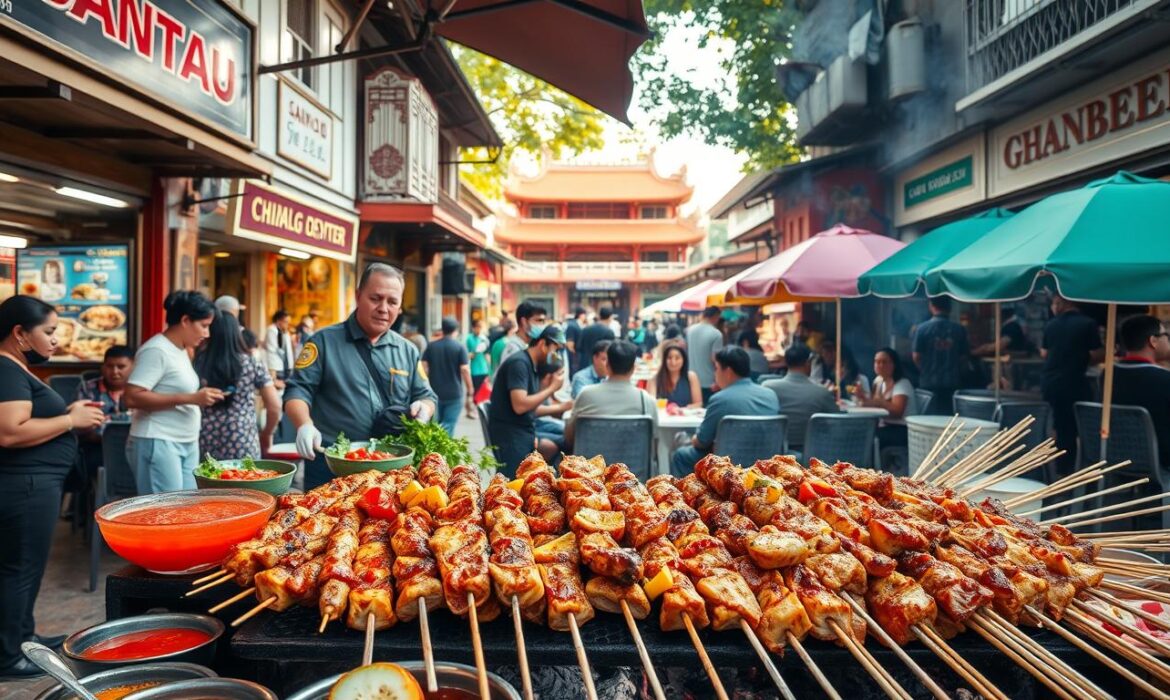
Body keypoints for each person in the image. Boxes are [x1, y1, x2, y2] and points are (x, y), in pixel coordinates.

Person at [0, 296, 105, 677]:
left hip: (32, 483)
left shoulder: (15, 368)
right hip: (26, 485)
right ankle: (8, 656)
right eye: (49, 331)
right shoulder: (7, 369)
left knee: (25, 567)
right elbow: (10, 432)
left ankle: (23, 636)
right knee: (20, 569)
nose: (56, 340)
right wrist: (71, 420)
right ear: (19, 334)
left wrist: (69, 415)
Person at [285, 264, 438, 489]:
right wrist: (304, 424)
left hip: (389, 470)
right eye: (375, 298)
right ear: (358, 296)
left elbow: (426, 395)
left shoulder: (407, 350)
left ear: (399, 307)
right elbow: (297, 390)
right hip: (331, 466)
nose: (383, 308)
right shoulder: (323, 342)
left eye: (392, 302)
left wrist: (424, 408)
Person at [125, 291, 223, 494]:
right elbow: (132, 396)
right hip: (158, 439)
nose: (207, 333)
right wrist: (192, 398)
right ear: (185, 320)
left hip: (184, 440)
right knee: (164, 509)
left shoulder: (182, 350)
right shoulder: (156, 350)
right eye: (204, 326)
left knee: (185, 507)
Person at [670, 347, 779, 476]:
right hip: (765, 464)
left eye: (716, 368)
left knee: (680, 455)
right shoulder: (771, 395)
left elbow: (701, 442)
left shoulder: (720, 399)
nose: (715, 374)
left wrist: (693, 438)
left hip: (727, 468)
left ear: (728, 371)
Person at [194, 312, 281, 460]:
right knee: (245, 475)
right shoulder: (252, 364)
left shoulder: (198, 363)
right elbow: (274, 406)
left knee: (209, 475)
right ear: (236, 333)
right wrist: (267, 433)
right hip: (242, 439)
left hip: (205, 439)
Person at [488, 324, 571, 475]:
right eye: (555, 349)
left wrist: (560, 407)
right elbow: (520, 405)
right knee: (515, 482)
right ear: (542, 344)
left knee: (565, 442)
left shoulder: (530, 364)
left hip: (522, 429)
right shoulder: (519, 363)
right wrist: (552, 388)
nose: (556, 355)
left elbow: (529, 406)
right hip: (510, 434)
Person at [1041, 294, 1104, 475]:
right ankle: (1074, 469)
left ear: (1063, 302)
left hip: (1051, 381)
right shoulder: (1088, 324)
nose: (1053, 306)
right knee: (1078, 427)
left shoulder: (1051, 324)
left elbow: (1044, 353)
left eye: (1054, 303)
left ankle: (1064, 468)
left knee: (1061, 426)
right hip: (1074, 382)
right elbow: (1097, 353)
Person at [566, 340, 656, 448]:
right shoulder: (646, 401)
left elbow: (570, 437)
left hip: (592, 457)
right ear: (633, 369)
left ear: (607, 365)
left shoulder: (586, 394)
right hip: (632, 458)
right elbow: (653, 439)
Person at [1110, 314, 1170, 466]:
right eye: (1166, 335)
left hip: (1117, 456)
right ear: (1153, 341)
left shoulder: (1108, 375)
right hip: (1161, 459)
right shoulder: (1163, 378)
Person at [762, 345, 838, 453]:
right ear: (808, 363)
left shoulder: (767, 387)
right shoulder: (821, 392)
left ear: (786, 362)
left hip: (776, 451)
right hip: (812, 453)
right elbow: (837, 420)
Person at [73, 345, 134, 476]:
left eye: (121, 367)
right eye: (110, 366)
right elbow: (82, 427)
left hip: (134, 445)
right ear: (103, 367)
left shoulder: (141, 391)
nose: (115, 372)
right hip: (97, 446)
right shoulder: (87, 388)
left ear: (133, 367)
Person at [912, 296, 970, 414]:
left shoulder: (921, 329)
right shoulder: (959, 329)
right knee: (948, 419)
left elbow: (916, 357)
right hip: (952, 383)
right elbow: (963, 358)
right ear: (950, 308)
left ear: (931, 306)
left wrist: (926, 370)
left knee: (928, 419)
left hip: (928, 383)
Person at [857, 347, 919, 451]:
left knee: (867, 437)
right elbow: (873, 405)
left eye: (884, 362)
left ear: (894, 364)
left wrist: (880, 402)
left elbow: (897, 412)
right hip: (885, 426)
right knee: (860, 432)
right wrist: (862, 397)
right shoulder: (878, 381)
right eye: (877, 362)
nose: (880, 365)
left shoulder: (902, 384)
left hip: (901, 429)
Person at [422, 317, 473, 435]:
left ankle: (436, 445)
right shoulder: (460, 347)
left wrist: (426, 383)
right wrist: (470, 388)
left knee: (435, 425)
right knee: (449, 424)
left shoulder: (431, 346)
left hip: (434, 392)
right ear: (456, 330)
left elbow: (423, 367)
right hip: (454, 393)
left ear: (442, 329)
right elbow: (465, 369)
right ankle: (443, 445)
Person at [686, 306, 724, 405]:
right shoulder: (716, 334)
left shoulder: (690, 330)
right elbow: (715, 359)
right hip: (709, 382)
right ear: (716, 316)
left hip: (691, 379)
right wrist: (719, 381)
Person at [651, 340, 701, 408]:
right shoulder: (654, 380)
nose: (673, 362)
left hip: (686, 414)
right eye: (669, 358)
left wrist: (682, 410)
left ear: (684, 359)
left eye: (677, 358)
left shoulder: (691, 377)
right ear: (664, 360)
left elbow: (698, 403)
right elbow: (651, 405)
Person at [264, 310, 295, 390]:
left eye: (288, 322)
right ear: (278, 321)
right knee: (278, 389)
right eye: (286, 322)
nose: (287, 324)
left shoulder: (285, 332)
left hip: (286, 366)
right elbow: (273, 349)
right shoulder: (272, 330)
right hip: (276, 367)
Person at [466, 318, 491, 401]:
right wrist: (474, 353)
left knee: (484, 394)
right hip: (474, 371)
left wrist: (490, 369)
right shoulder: (468, 339)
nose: (479, 329)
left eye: (480, 327)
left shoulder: (484, 339)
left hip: (485, 370)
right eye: (477, 326)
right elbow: (466, 355)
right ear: (473, 327)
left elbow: (487, 355)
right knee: (475, 394)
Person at [565, 307, 587, 373]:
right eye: (585, 315)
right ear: (581, 315)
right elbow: (569, 343)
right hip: (574, 355)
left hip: (580, 354)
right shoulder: (572, 325)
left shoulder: (581, 325)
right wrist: (574, 355)